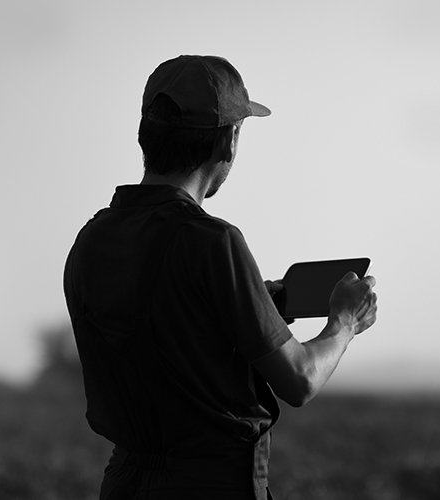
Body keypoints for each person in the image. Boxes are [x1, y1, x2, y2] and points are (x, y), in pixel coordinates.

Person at [64, 55, 381, 500]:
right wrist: (344, 322)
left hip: (123, 484)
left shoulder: (91, 239)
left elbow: (160, 334)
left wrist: (253, 305)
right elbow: (300, 379)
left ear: (146, 135)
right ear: (229, 141)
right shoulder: (212, 242)